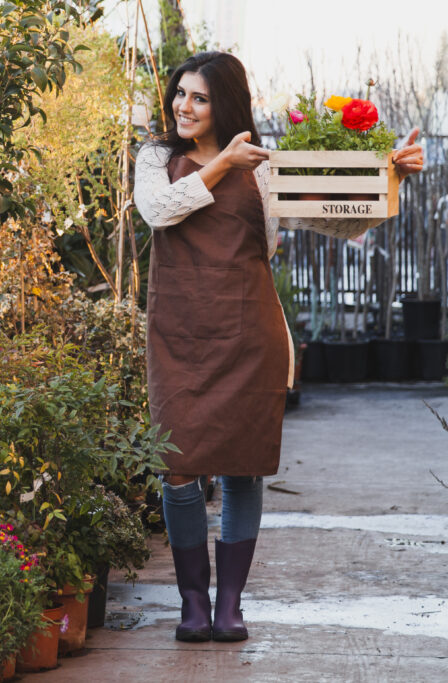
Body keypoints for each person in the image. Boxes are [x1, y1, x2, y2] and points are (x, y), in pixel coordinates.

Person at [132, 51, 424, 643]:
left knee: (244, 468)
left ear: (226, 105)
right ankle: (193, 601)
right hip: (178, 336)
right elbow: (158, 210)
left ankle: (229, 605)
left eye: (200, 98)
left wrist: (391, 176)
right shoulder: (156, 157)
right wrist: (220, 167)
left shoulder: (263, 168)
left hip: (248, 334)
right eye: (180, 94)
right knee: (178, 468)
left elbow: (338, 220)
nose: (183, 107)